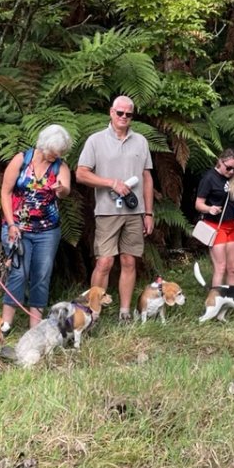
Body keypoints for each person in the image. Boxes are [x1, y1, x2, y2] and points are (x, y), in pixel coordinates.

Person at [76, 96, 155, 321]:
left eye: (128, 114)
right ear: (111, 112)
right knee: (104, 261)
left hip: (134, 211)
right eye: (119, 113)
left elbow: (147, 177)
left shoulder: (141, 141)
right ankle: (91, 313)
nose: (123, 117)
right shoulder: (95, 140)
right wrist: (110, 183)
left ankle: (124, 312)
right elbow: (81, 173)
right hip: (107, 211)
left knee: (130, 261)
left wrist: (148, 213)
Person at [0, 124, 74, 332]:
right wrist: (11, 224)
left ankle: (35, 326)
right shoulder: (21, 160)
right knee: (18, 272)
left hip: (47, 231)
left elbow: (65, 189)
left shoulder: (60, 166)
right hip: (17, 228)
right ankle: (6, 323)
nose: (55, 157)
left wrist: (61, 189)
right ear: (43, 146)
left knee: (41, 274)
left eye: (59, 154)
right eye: (52, 153)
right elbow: (5, 192)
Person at [194, 149, 234, 287]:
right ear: (220, 162)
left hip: (231, 225)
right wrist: (210, 208)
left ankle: (232, 299)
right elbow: (198, 204)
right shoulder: (209, 178)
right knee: (221, 267)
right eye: (228, 168)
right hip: (215, 227)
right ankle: (215, 299)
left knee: (233, 268)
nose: (231, 172)